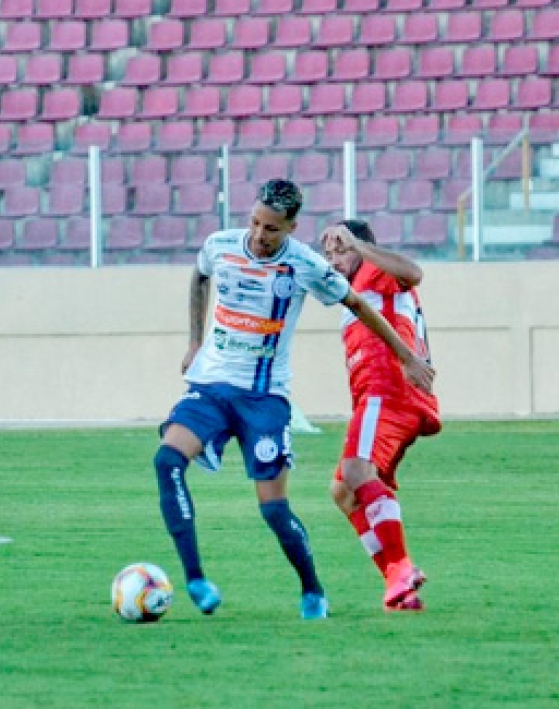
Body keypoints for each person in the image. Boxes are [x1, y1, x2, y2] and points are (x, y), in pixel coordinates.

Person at [155, 179, 435, 620]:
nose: (258, 235)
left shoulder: (322, 267)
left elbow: (376, 294)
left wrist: (406, 357)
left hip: (274, 398)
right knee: (168, 462)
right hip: (212, 386)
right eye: (255, 222)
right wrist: (194, 340)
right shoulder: (221, 245)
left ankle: (323, 586)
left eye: (270, 228)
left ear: (290, 228)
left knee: (280, 506)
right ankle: (196, 580)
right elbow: (200, 273)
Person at [320, 219, 441, 611]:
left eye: (341, 250)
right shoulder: (351, 290)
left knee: (356, 472)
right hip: (380, 396)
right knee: (343, 490)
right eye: (329, 254)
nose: (334, 260)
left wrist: (359, 246)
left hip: (387, 389)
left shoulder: (374, 271)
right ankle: (399, 586)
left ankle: (400, 566)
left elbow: (414, 273)